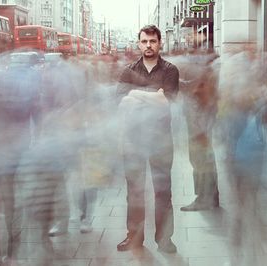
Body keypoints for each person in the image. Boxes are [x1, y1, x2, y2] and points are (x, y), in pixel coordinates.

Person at [116, 25, 179, 253]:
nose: (148, 45)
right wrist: (153, 95)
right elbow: (120, 102)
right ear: (139, 43)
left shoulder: (171, 70)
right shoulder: (128, 70)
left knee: (163, 190)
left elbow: (166, 101)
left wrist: (135, 94)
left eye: (152, 41)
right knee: (134, 191)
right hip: (133, 140)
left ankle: (164, 239)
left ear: (159, 43)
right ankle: (134, 237)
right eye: (144, 41)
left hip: (161, 141)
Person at [179, 53, 220, 211]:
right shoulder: (205, 81)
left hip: (199, 132)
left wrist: (200, 133)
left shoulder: (204, 85)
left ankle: (204, 199)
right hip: (200, 131)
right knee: (205, 164)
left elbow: (198, 100)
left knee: (201, 165)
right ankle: (211, 197)